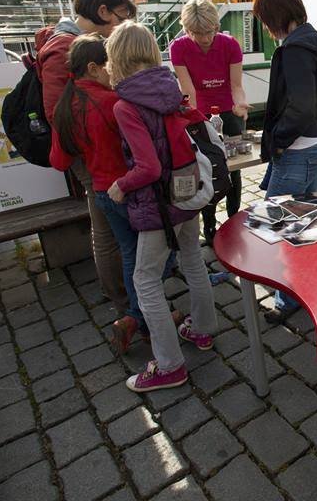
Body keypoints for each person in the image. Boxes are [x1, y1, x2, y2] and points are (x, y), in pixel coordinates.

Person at [49, 35, 180, 354]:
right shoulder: (112, 103)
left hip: (101, 192)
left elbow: (58, 161)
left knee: (129, 253)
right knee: (158, 256)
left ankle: (136, 318)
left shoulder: (64, 107)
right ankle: (145, 318)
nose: (113, 71)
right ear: (93, 68)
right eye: (108, 65)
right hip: (132, 191)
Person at [106, 22, 217, 392]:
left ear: (116, 58)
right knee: (193, 259)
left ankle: (169, 366)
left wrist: (121, 186)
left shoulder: (126, 105)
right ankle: (202, 330)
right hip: (187, 195)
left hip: (157, 206)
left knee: (145, 280)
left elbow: (148, 167)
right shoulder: (170, 87)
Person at [36, 0, 137, 315]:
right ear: (102, 11)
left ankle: (132, 286)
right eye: (120, 18)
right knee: (106, 227)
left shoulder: (80, 44)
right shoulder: (63, 48)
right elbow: (56, 115)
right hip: (91, 155)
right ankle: (121, 297)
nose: (121, 27)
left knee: (113, 224)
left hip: (98, 149)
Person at [251, 0, 317, 324]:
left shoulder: (295, 50)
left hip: (299, 148)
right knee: (300, 220)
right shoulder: (314, 40)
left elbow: (301, 107)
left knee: (282, 226)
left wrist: (279, 140)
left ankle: (287, 297)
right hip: (315, 143)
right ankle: (301, 287)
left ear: (273, 16)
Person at [169, 0, 249, 242]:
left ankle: (235, 219)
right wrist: (193, 118)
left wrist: (239, 103)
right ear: (186, 29)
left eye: (209, 31)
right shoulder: (179, 48)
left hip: (228, 109)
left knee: (233, 168)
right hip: (199, 112)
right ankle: (210, 223)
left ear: (216, 26)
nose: (205, 38)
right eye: (198, 33)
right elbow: (188, 90)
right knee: (206, 169)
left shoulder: (230, 44)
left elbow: (236, 84)